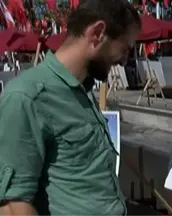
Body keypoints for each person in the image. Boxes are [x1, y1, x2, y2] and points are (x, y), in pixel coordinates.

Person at [0, 0, 141, 216]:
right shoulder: (27, 97)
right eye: (125, 48)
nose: (125, 61)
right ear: (98, 33)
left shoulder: (81, 89)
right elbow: (13, 205)